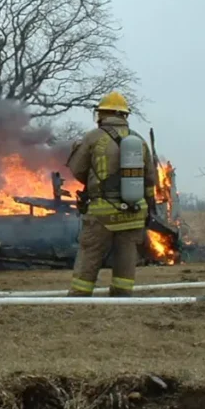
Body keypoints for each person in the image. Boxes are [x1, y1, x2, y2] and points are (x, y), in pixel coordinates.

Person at [66, 91, 158, 297]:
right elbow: (150, 179)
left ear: (102, 114)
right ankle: (122, 295)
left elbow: (77, 170)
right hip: (134, 211)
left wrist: (96, 181)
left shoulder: (94, 138)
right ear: (124, 115)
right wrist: (150, 208)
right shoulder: (139, 140)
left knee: (90, 253)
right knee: (126, 256)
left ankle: (80, 296)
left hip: (102, 212)